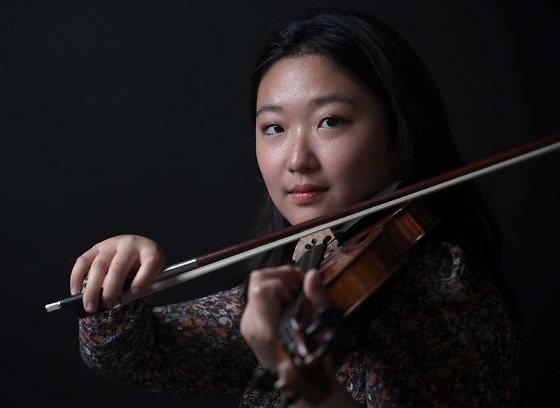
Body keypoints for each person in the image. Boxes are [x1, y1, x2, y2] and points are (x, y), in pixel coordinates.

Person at [70, 8, 519, 407]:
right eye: (274, 128)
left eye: (330, 121)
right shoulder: (313, 271)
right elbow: (139, 356)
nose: (296, 159)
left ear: (398, 130)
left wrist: (311, 385)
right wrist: (117, 281)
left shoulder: (443, 289)